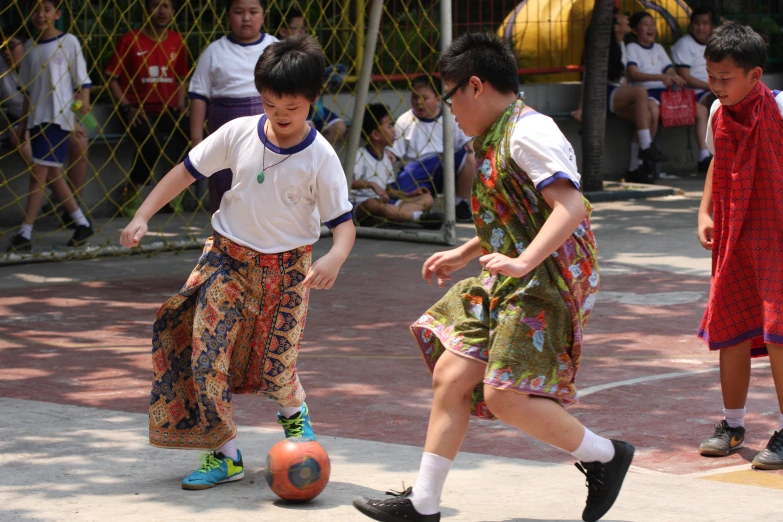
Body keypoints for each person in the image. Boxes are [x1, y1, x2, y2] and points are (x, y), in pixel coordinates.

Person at [353, 32, 634, 522]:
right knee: (452, 375)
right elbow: (519, 221)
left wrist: (523, 263)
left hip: (548, 280)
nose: (450, 109)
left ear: (475, 86)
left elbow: (569, 208)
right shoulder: (495, 134)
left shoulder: (530, 132)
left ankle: (607, 455)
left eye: (449, 95)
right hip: (513, 273)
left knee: (503, 395)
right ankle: (424, 502)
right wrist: (466, 251)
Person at [120, 34, 356, 490]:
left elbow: (343, 225)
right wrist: (142, 215)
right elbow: (185, 170)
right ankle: (223, 454)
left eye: (292, 107)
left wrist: (336, 257)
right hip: (225, 260)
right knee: (206, 353)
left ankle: (294, 415)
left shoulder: (321, 158)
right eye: (270, 105)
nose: (280, 117)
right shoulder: (237, 133)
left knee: (276, 367)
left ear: (312, 100)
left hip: (288, 272)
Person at [696, 22, 783, 471]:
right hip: (733, 235)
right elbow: (715, 162)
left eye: (725, 78)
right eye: (711, 77)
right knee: (731, 327)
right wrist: (705, 210)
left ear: (755, 75)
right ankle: (732, 424)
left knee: (778, 333)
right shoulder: (716, 111)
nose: (716, 86)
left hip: (777, 237)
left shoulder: (780, 108)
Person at [6, 0, 94, 252]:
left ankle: (24, 234)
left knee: (38, 177)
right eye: (35, 10)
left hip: (58, 121)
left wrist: (82, 107)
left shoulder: (69, 42)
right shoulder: (31, 48)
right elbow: (29, 93)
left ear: (57, 14)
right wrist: (23, 125)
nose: (40, 15)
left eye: (46, 9)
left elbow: (83, 83)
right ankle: (81, 223)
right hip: (36, 122)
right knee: (52, 175)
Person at [188, 0, 279, 212]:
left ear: (263, 15)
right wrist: (197, 143)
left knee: (269, 185)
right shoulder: (214, 51)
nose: (246, 18)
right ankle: (227, 241)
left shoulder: (275, 47)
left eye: (253, 12)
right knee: (225, 185)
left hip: (269, 126)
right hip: (225, 129)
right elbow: (198, 97)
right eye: (238, 12)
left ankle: (267, 242)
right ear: (228, 15)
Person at [106, 0, 189, 217]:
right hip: (138, 110)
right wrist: (127, 107)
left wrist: (181, 102)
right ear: (146, 10)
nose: (161, 11)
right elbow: (112, 79)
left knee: (194, 135)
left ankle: (174, 193)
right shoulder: (130, 40)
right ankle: (131, 192)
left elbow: (181, 77)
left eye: (166, 6)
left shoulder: (176, 40)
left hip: (169, 108)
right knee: (150, 145)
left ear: (173, 11)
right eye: (155, 5)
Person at [572, 9, 667, 182]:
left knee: (647, 115)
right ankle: (646, 146)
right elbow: (588, 78)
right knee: (640, 92)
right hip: (603, 95)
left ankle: (634, 167)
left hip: (616, 95)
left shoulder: (621, 44)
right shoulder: (604, 47)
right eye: (624, 17)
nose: (627, 19)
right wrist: (581, 106)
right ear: (615, 26)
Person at [389, 75, 475, 223]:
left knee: (470, 157)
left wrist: (472, 144)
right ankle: (410, 214)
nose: (418, 102)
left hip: (445, 166)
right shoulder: (404, 120)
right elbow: (394, 153)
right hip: (415, 170)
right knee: (401, 199)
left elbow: (470, 141)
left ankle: (458, 203)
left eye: (424, 98)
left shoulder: (451, 116)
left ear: (438, 98)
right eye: (415, 97)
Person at [352, 103, 440, 228]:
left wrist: (408, 195)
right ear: (376, 134)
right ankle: (418, 218)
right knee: (373, 204)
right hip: (361, 205)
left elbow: (387, 190)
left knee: (427, 199)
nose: (394, 130)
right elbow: (346, 183)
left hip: (385, 203)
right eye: (390, 126)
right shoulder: (359, 155)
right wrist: (371, 185)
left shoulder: (386, 157)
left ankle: (391, 218)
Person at [276, 6, 346, 147]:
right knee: (309, 130)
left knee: (339, 127)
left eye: (304, 29)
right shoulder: (276, 54)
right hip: (292, 107)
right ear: (283, 31)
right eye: (298, 28)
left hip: (314, 107)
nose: (302, 32)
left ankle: (319, 161)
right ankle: (308, 162)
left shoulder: (308, 51)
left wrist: (327, 80)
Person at [671, 6, 718, 173]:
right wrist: (712, 87)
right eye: (697, 23)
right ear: (691, 25)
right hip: (691, 93)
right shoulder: (684, 45)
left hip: (713, 88)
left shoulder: (715, 45)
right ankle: (705, 157)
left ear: (712, 26)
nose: (701, 27)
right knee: (717, 103)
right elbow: (685, 77)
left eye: (705, 23)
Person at [0, 24, 32, 164]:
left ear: (25, 45)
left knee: (79, 140)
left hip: (47, 118)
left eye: (11, 46)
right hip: (19, 120)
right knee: (20, 139)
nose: (6, 52)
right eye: (3, 48)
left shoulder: (38, 62)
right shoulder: (2, 67)